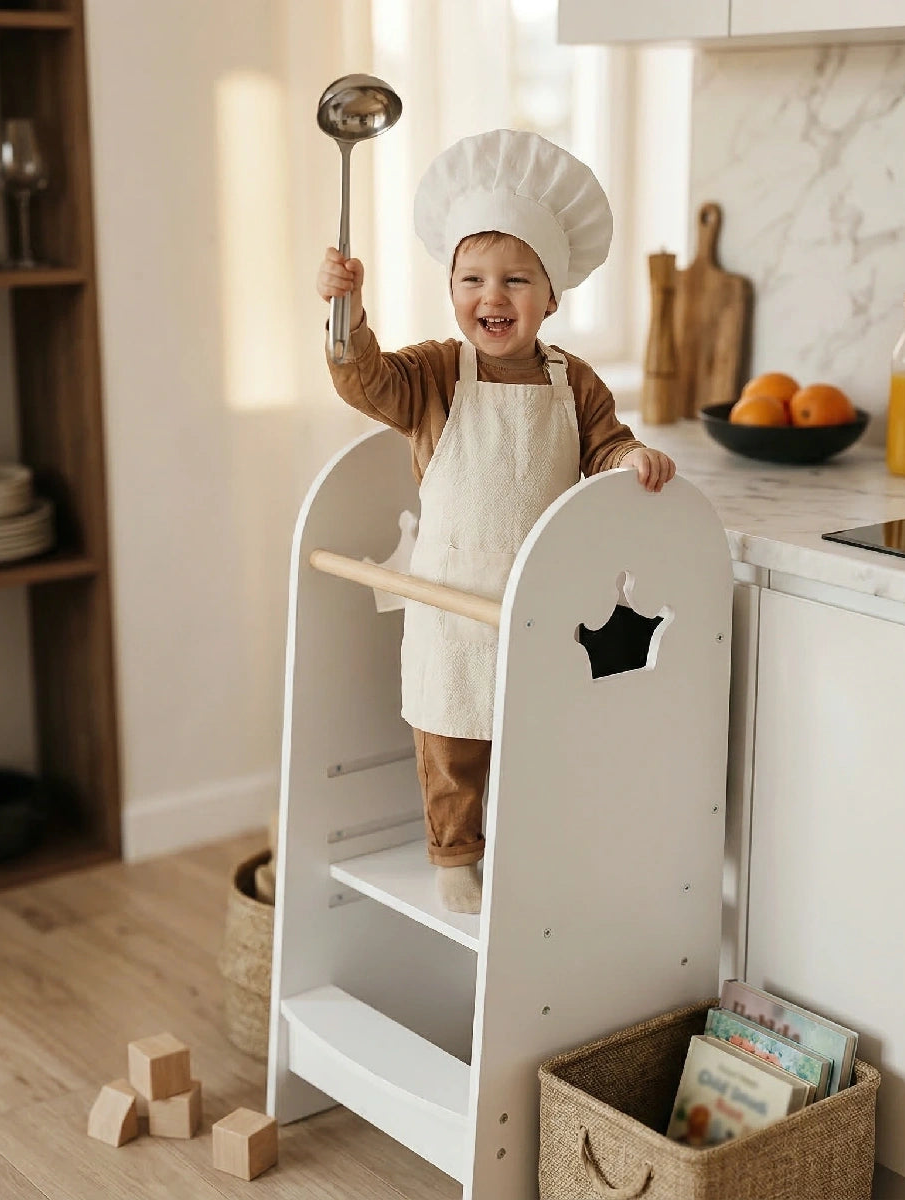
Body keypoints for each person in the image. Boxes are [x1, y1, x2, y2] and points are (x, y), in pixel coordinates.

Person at [316, 128, 675, 915]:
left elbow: (604, 445)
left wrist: (628, 459)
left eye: (517, 279)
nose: (493, 296)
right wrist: (347, 314)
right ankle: (454, 853)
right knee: (452, 738)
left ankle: (527, 845)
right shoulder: (435, 372)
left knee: (535, 732)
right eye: (472, 278)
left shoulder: (572, 379)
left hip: (541, 598)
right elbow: (365, 380)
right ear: (451, 288)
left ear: (552, 295)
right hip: (452, 597)